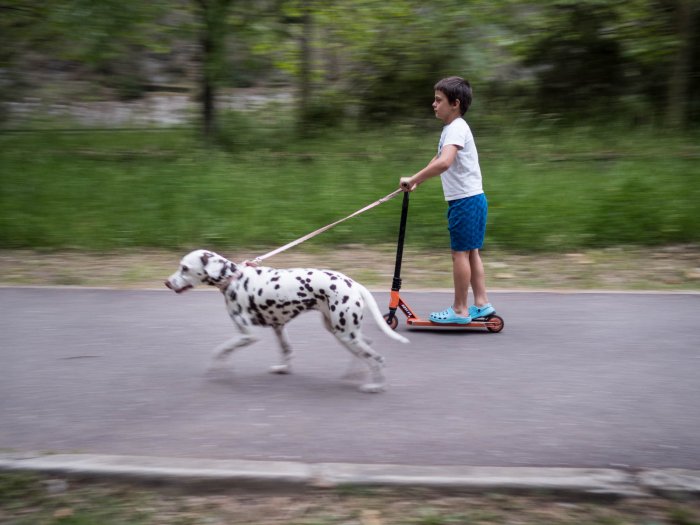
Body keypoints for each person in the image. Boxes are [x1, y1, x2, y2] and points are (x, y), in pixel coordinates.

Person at [399, 76, 495, 324]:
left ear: (455, 103)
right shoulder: (453, 129)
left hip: (464, 201)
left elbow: (444, 162)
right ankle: (481, 303)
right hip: (473, 199)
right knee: (471, 252)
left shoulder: (456, 127)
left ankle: (460, 310)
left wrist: (413, 179)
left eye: (438, 100)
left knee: (459, 255)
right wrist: (417, 179)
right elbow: (438, 157)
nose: (434, 104)